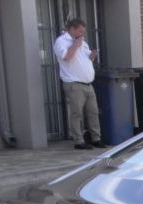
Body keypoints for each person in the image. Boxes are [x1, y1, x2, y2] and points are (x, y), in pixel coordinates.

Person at [53, 18, 106, 150]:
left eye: (83, 31)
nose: (82, 34)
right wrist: (76, 44)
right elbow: (66, 57)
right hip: (74, 84)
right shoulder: (61, 41)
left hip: (88, 84)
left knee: (93, 112)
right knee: (77, 114)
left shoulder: (82, 42)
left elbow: (86, 59)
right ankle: (78, 141)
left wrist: (92, 55)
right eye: (80, 31)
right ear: (72, 29)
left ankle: (96, 138)